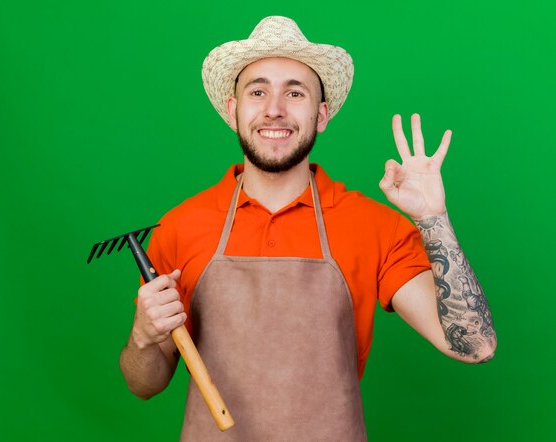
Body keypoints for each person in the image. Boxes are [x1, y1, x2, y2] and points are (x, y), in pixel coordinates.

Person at [119, 16, 497, 441]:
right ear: (233, 110)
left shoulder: (372, 225)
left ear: (321, 115)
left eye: (294, 92)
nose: (274, 108)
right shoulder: (181, 226)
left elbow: (475, 347)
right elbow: (144, 384)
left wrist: (434, 218)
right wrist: (143, 335)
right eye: (257, 91)